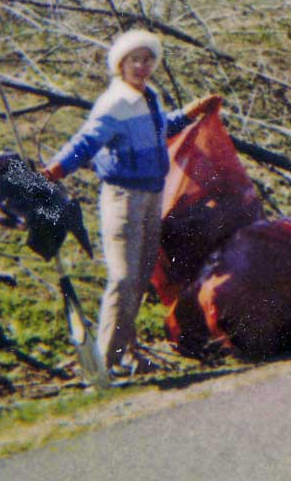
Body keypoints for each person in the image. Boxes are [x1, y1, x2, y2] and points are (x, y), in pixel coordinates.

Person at [43, 28, 219, 376]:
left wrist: (191, 112)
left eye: (148, 59)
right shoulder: (115, 103)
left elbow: (161, 128)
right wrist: (56, 170)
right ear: (120, 65)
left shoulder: (149, 95)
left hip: (152, 195)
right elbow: (86, 141)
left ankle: (127, 354)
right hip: (123, 197)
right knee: (123, 279)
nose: (142, 66)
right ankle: (100, 364)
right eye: (134, 60)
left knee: (140, 279)